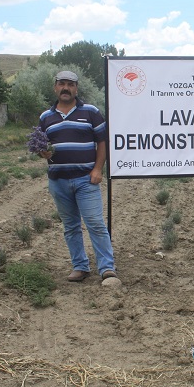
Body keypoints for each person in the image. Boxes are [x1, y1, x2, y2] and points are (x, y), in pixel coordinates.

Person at [37, 71, 117, 282]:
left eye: (70, 84)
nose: (66, 88)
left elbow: (103, 142)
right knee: (71, 226)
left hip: (85, 180)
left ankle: (107, 268)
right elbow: (40, 145)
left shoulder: (91, 112)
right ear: (55, 87)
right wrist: (42, 153)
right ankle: (80, 267)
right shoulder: (45, 117)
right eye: (62, 83)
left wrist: (98, 169)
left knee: (95, 223)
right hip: (58, 182)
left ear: (76, 88)